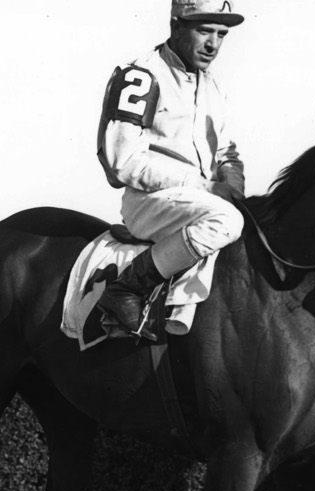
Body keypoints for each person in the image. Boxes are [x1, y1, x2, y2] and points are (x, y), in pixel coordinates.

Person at [95, 0, 246, 337]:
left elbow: (225, 151)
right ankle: (127, 289)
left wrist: (233, 183)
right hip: (150, 201)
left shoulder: (212, 85)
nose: (214, 44)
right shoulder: (141, 75)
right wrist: (205, 187)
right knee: (226, 220)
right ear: (177, 26)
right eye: (204, 30)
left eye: (221, 34)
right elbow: (122, 162)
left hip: (195, 202)